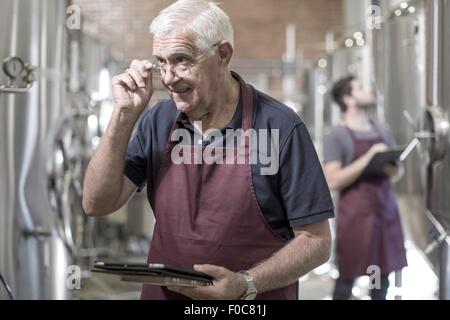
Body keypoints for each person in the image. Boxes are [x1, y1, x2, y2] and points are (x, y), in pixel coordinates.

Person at [82, 0, 334, 300]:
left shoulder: (280, 127)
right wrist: (123, 115)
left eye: (181, 60)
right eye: (161, 62)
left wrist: (245, 284)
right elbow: (96, 203)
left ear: (223, 54)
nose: (169, 78)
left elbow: (316, 241)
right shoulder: (158, 121)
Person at [323, 75, 408, 300]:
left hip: (385, 213)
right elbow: (332, 180)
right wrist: (370, 156)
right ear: (348, 99)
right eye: (360, 88)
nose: (369, 90)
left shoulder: (383, 131)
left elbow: (397, 173)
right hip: (356, 218)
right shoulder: (336, 136)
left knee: (381, 282)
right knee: (346, 279)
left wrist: (393, 167)